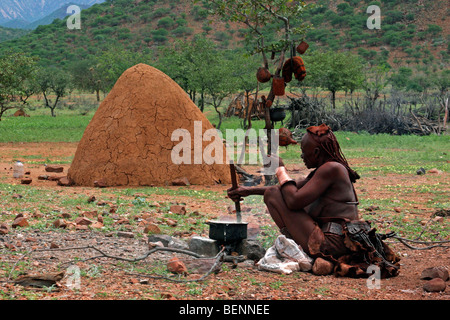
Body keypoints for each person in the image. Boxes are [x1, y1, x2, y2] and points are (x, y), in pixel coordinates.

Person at [228, 124, 400, 278]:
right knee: (273, 193)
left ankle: (313, 255)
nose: (302, 156)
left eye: (304, 151)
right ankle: (306, 250)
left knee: (274, 194)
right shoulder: (327, 169)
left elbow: (294, 199)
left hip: (333, 243)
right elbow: (291, 187)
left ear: (316, 152)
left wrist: (280, 169)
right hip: (335, 240)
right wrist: (247, 191)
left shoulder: (331, 169)